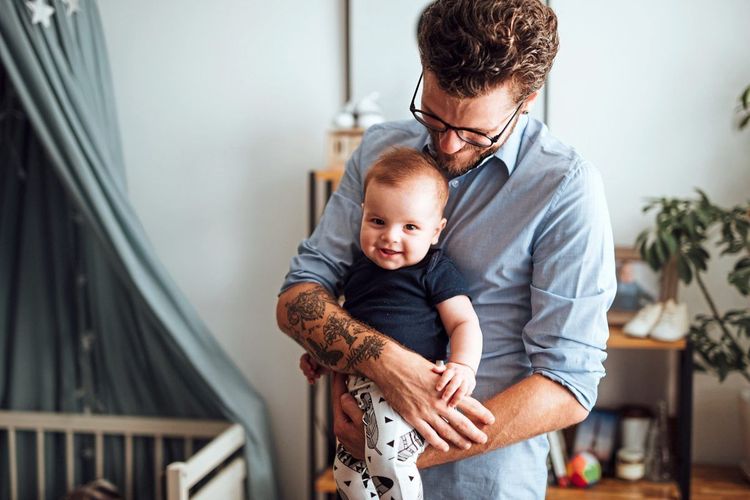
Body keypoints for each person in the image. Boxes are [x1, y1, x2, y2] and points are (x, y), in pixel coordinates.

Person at [277, 0, 617, 497]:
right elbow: (297, 300)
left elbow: (569, 387)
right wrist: (386, 365)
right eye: (434, 119)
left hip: (485, 484)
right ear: (424, 71)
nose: (450, 146)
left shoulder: (565, 188)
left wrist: (396, 450)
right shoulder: (378, 153)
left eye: (476, 131)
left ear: (528, 99)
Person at [299, 147, 483, 500]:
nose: (390, 237)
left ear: (435, 232)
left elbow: (463, 322)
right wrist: (322, 355)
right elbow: (349, 332)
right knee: (347, 474)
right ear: (363, 215)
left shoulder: (433, 270)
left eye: (410, 227)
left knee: (388, 459)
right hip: (359, 388)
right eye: (378, 221)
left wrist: (463, 366)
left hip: (407, 392)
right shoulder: (356, 272)